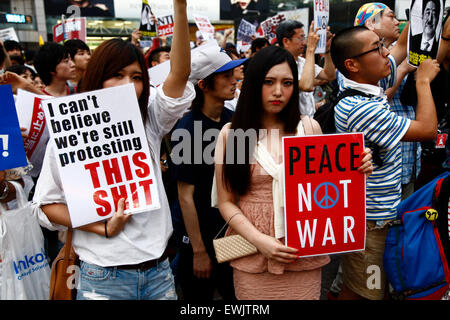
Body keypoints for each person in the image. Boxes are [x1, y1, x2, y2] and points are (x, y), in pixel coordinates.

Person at [32, 0, 193, 300]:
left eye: (136, 78)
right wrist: (101, 227)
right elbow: (46, 204)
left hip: (159, 274)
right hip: (103, 279)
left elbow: (179, 75)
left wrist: (180, 8)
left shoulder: (150, 121)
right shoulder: (70, 132)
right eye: (117, 75)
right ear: (97, 78)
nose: (129, 86)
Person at [214, 45, 373, 300]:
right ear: (254, 84)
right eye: (269, 82)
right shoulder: (231, 135)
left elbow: (328, 190)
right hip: (252, 257)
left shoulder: (309, 128)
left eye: (287, 83)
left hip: (303, 252)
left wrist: (356, 169)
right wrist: (260, 241)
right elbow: (226, 202)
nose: (278, 92)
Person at [330, 25, 440, 300]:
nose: (387, 52)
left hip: (380, 216)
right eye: (377, 48)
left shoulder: (360, 86)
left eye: (382, 44)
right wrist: (423, 82)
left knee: (365, 289)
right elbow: (427, 129)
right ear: (352, 64)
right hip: (371, 223)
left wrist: (422, 13)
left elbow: (401, 47)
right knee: (366, 293)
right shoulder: (361, 108)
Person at [171, 44, 246, 300]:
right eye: (225, 76)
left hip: (230, 230)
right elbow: (185, 197)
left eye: (233, 73)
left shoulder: (234, 121)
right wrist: (199, 251)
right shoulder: (187, 128)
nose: (234, 80)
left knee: (235, 296)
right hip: (198, 239)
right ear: (203, 85)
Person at [276, 20, 336, 118]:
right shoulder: (278, 64)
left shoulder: (302, 61)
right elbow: (306, 86)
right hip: (291, 125)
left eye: (304, 38)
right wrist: (311, 50)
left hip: (309, 122)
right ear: (286, 41)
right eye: (300, 38)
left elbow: (329, 75)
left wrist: (327, 50)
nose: (304, 43)